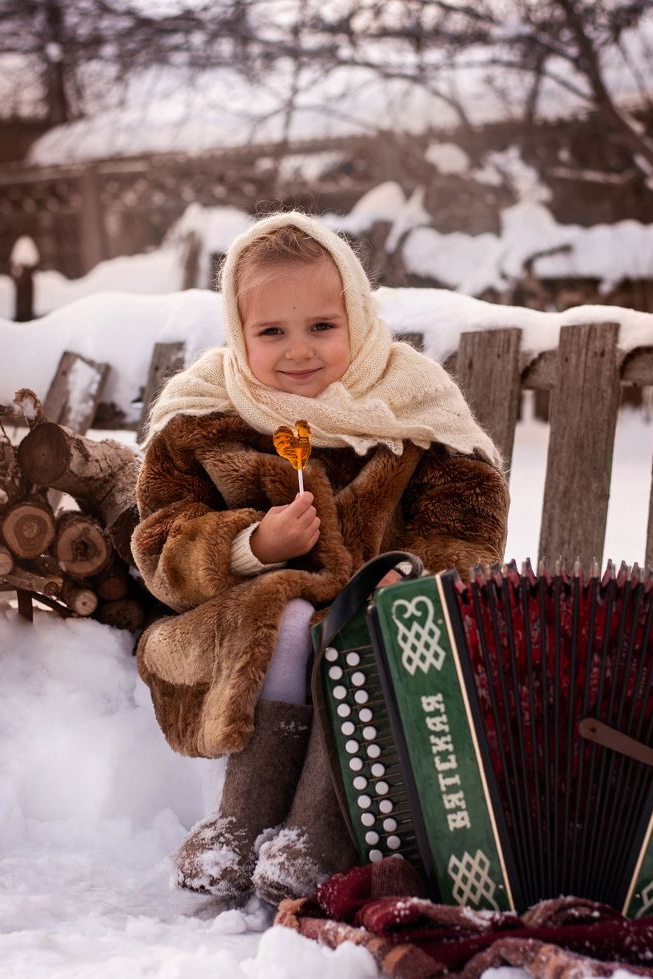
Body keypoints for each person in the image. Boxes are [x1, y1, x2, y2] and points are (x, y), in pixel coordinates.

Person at [131, 211, 510, 907]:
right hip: (240, 628)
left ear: (357, 318)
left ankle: (316, 833)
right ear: (237, 332)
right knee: (294, 614)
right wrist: (249, 545)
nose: (298, 350)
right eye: (271, 331)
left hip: (383, 622)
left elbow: (469, 521)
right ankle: (242, 817)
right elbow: (161, 540)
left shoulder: (410, 400)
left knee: (365, 635)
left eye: (322, 327)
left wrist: (417, 572)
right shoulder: (204, 413)